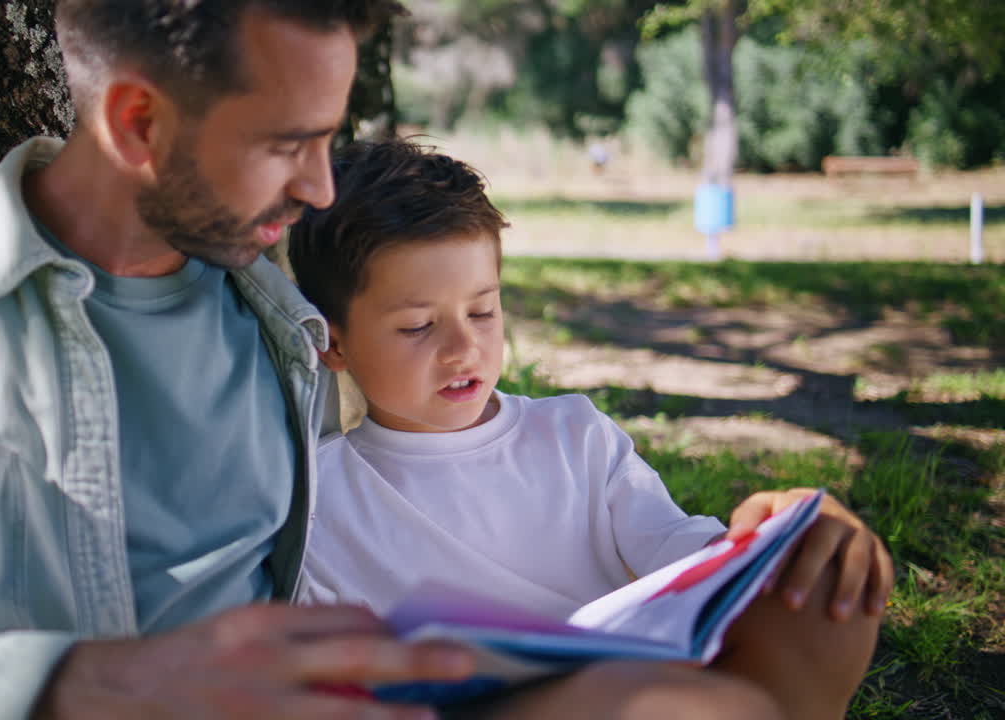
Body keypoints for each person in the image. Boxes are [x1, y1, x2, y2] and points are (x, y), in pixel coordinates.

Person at [0, 3, 489, 719]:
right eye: (286, 145)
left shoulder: (290, 320)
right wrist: (88, 685)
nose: (319, 188)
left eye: (328, 140)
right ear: (137, 124)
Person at [286, 139, 894, 720]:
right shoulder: (324, 497)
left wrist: (779, 536)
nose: (463, 347)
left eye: (483, 310)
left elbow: (683, 553)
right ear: (334, 344)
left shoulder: (572, 434)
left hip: (644, 680)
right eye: (419, 326)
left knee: (818, 588)